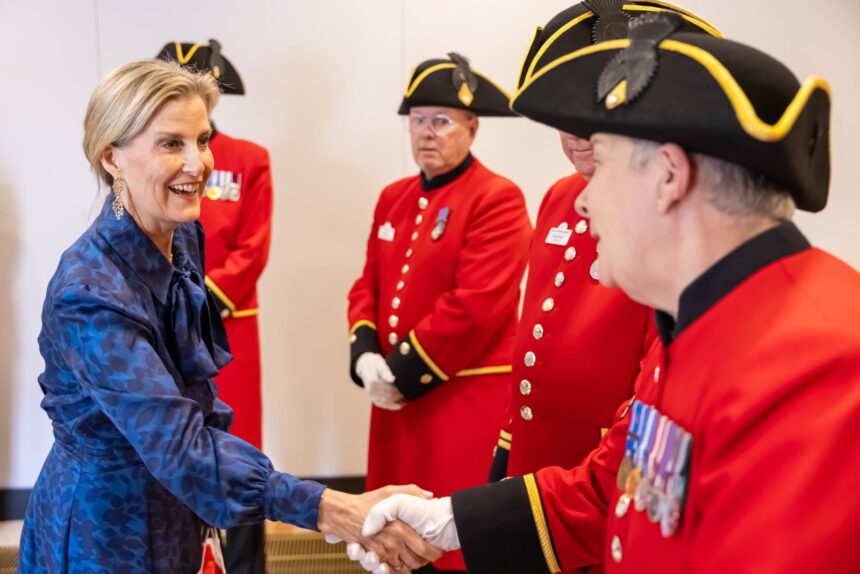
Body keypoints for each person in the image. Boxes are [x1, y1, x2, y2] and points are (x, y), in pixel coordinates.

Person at [357, 11, 860, 574]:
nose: (583, 200)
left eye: (604, 168)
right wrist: (453, 520)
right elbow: (615, 487)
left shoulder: (819, 364)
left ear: (668, 177)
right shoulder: (702, 329)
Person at [18, 59, 440, 574]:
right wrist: (336, 509)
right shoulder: (90, 292)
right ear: (112, 157)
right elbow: (179, 446)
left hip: (177, 515)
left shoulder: (181, 238)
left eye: (202, 139)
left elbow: (198, 399)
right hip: (103, 533)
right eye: (171, 144)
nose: (198, 164)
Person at [489, 0, 719, 495]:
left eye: (596, 117)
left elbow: (660, 374)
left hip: (608, 468)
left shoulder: (672, 216)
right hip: (536, 455)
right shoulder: (558, 197)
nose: (576, 135)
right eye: (564, 115)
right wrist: (509, 442)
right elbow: (534, 329)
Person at [347, 52, 532, 572]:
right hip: (394, 403)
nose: (426, 133)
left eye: (442, 121)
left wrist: (401, 371)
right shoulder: (393, 197)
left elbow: (476, 305)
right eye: (418, 120)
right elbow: (368, 284)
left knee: (451, 543)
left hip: (460, 398)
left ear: (472, 128)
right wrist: (365, 356)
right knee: (390, 536)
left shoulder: (498, 198)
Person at [157, 39, 273, 574]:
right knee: (174, 441)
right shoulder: (146, 157)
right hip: (157, 326)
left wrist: (199, 303)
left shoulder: (249, 159)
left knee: (237, 448)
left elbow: (254, 247)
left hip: (229, 329)